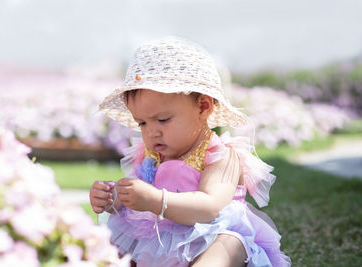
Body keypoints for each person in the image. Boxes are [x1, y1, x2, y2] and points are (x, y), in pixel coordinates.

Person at [89, 37, 291, 267]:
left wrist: (157, 200)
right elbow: (137, 198)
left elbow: (211, 207)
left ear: (203, 107)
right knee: (111, 249)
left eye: (163, 119)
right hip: (159, 242)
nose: (151, 133)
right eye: (142, 123)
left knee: (229, 244)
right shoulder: (151, 157)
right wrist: (113, 198)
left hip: (208, 238)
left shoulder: (219, 155)